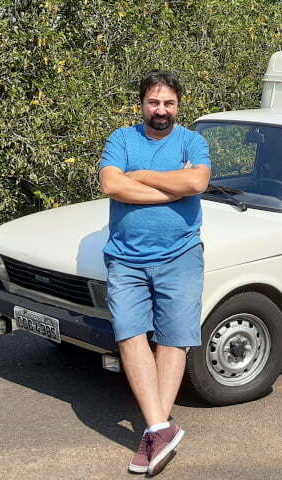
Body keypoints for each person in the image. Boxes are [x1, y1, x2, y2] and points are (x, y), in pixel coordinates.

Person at [96, 71, 210, 477]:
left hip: (180, 255)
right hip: (125, 258)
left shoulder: (192, 142)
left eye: (169, 103)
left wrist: (139, 176)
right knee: (129, 335)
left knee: (173, 339)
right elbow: (112, 185)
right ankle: (161, 428)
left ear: (178, 106)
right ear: (141, 103)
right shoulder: (121, 139)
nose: (161, 110)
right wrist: (172, 188)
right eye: (153, 102)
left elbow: (198, 180)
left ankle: (154, 431)